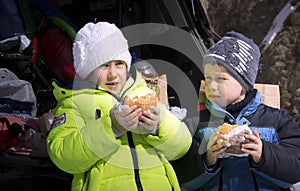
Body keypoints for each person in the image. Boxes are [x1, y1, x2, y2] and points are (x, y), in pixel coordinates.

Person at [46, 22, 192, 191]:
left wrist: (158, 125)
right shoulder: (75, 103)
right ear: (87, 70)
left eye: (119, 64)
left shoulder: (144, 94)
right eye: (104, 65)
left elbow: (182, 147)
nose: (113, 73)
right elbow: (63, 156)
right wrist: (111, 127)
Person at [179, 31, 300, 191]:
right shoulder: (196, 123)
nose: (211, 86)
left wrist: (263, 153)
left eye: (220, 79)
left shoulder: (276, 120)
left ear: (244, 83)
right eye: (208, 78)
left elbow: (296, 167)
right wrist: (207, 159)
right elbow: (181, 175)